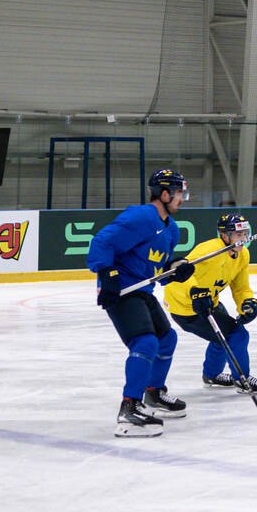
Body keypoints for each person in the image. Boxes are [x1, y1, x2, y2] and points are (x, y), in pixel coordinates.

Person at [88, 168, 195, 437]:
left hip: (143, 290)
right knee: (145, 343)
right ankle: (129, 408)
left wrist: (176, 269)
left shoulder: (172, 230)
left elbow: (159, 269)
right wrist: (106, 274)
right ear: (164, 194)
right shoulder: (141, 217)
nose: (182, 199)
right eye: (179, 193)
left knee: (167, 339)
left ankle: (153, 393)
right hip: (122, 291)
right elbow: (102, 242)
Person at [166, 212, 257, 394]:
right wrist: (194, 292)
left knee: (221, 336)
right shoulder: (209, 250)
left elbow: (240, 288)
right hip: (186, 307)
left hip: (209, 301)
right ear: (225, 236)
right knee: (237, 334)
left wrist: (246, 303)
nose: (243, 238)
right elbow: (182, 274)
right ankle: (242, 379)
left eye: (245, 233)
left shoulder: (243, 255)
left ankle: (212, 375)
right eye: (238, 234)